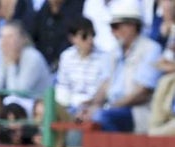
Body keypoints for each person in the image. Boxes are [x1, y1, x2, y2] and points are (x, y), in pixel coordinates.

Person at [82, 1, 163, 132]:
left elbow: (142, 93)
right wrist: (92, 105)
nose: (113, 32)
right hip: (114, 108)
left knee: (101, 116)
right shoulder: (114, 52)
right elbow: (105, 84)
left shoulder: (151, 49)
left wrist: (110, 107)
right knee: (79, 114)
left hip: (137, 111)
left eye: (116, 26)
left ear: (132, 25)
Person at [55, 17, 115, 121]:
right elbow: (63, 87)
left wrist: (89, 104)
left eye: (92, 35)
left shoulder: (105, 58)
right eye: (84, 36)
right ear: (72, 38)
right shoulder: (66, 56)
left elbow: (104, 91)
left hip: (94, 107)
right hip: (71, 106)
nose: (90, 40)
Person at [0, 21, 54, 98]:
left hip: (40, 104)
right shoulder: (5, 56)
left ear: (22, 39)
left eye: (10, 37)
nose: (4, 42)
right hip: (21, 104)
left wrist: (11, 64)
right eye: (2, 37)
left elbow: (17, 94)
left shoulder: (32, 57)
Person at [26, 0, 86, 69]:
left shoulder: (77, 7)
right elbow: (32, 36)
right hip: (42, 64)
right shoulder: (43, 10)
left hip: (69, 64)